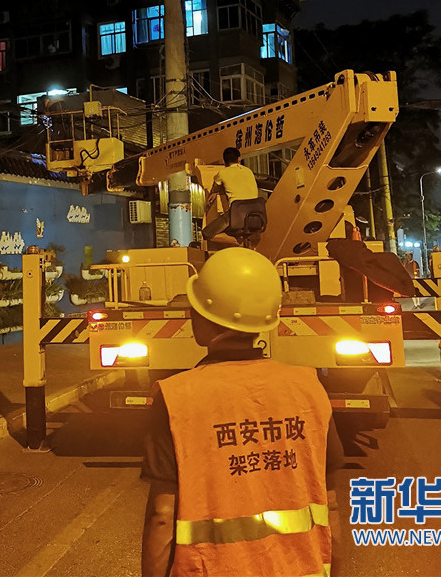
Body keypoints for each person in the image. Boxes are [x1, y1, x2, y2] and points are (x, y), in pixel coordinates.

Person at [141, 247, 342, 577]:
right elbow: (330, 505)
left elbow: (162, 516)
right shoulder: (309, 388)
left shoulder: (176, 397)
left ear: (203, 317)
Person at [201, 147, 259, 240]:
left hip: (237, 213)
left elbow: (215, 188)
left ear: (224, 161)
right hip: (257, 212)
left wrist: (214, 193)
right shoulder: (249, 171)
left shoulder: (222, 173)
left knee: (206, 233)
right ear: (239, 159)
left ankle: (234, 238)